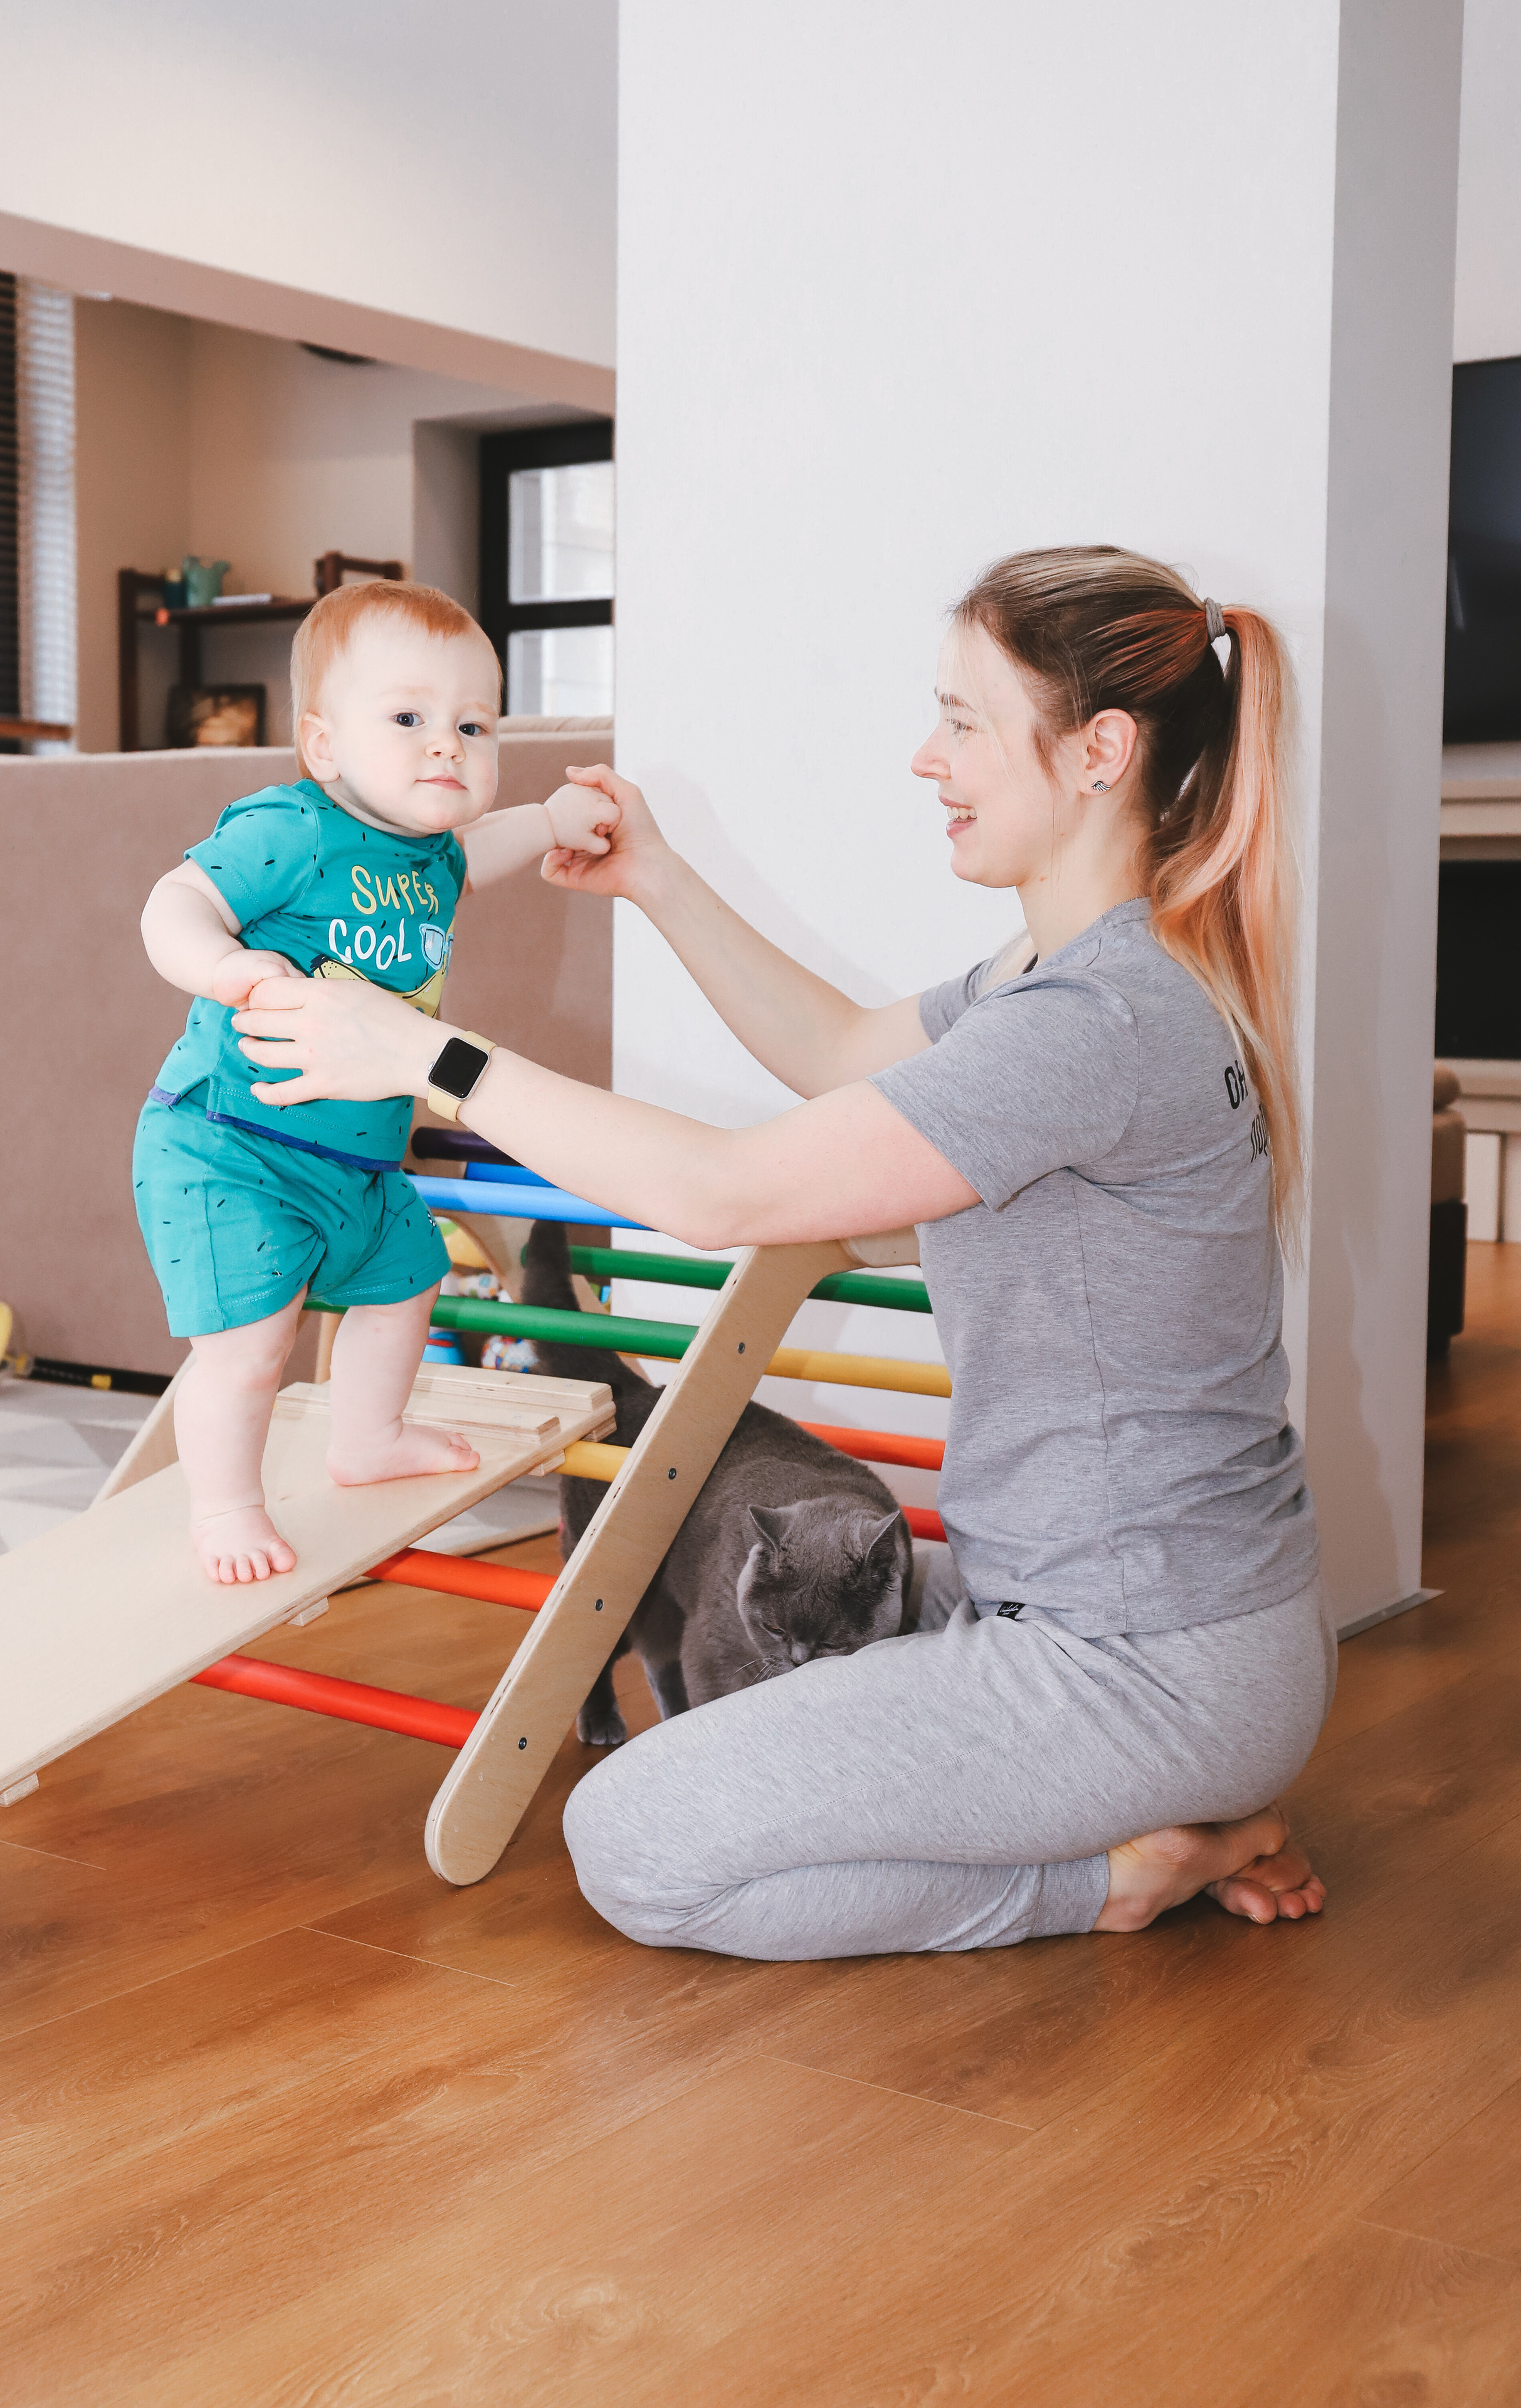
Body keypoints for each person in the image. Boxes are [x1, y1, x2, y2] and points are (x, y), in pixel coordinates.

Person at [226, 545, 1332, 1948]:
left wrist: (421, 1054)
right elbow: (837, 1048)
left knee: (633, 1844)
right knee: (777, 1660)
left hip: (1140, 1660)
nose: (926, 758)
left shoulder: (1087, 1025)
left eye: (963, 721)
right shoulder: (1064, 979)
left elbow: (723, 1193)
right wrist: (658, 882)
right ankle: (1170, 1801)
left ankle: (1121, 1875)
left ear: (1099, 752)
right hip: (1136, 1620)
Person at [134, 581, 619, 1584]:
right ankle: (224, 1508)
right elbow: (172, 902)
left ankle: (369, 1437)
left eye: (473, 726)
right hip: (232, 1144)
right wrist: (225, 966)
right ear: (323, 746)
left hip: (356, 1158)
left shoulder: (432, 856)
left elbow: (480, 853)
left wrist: (552, 818)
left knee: (408, 1280)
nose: (447, 746)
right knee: (250, 1351)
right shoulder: (293, 828)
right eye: (408, 720)